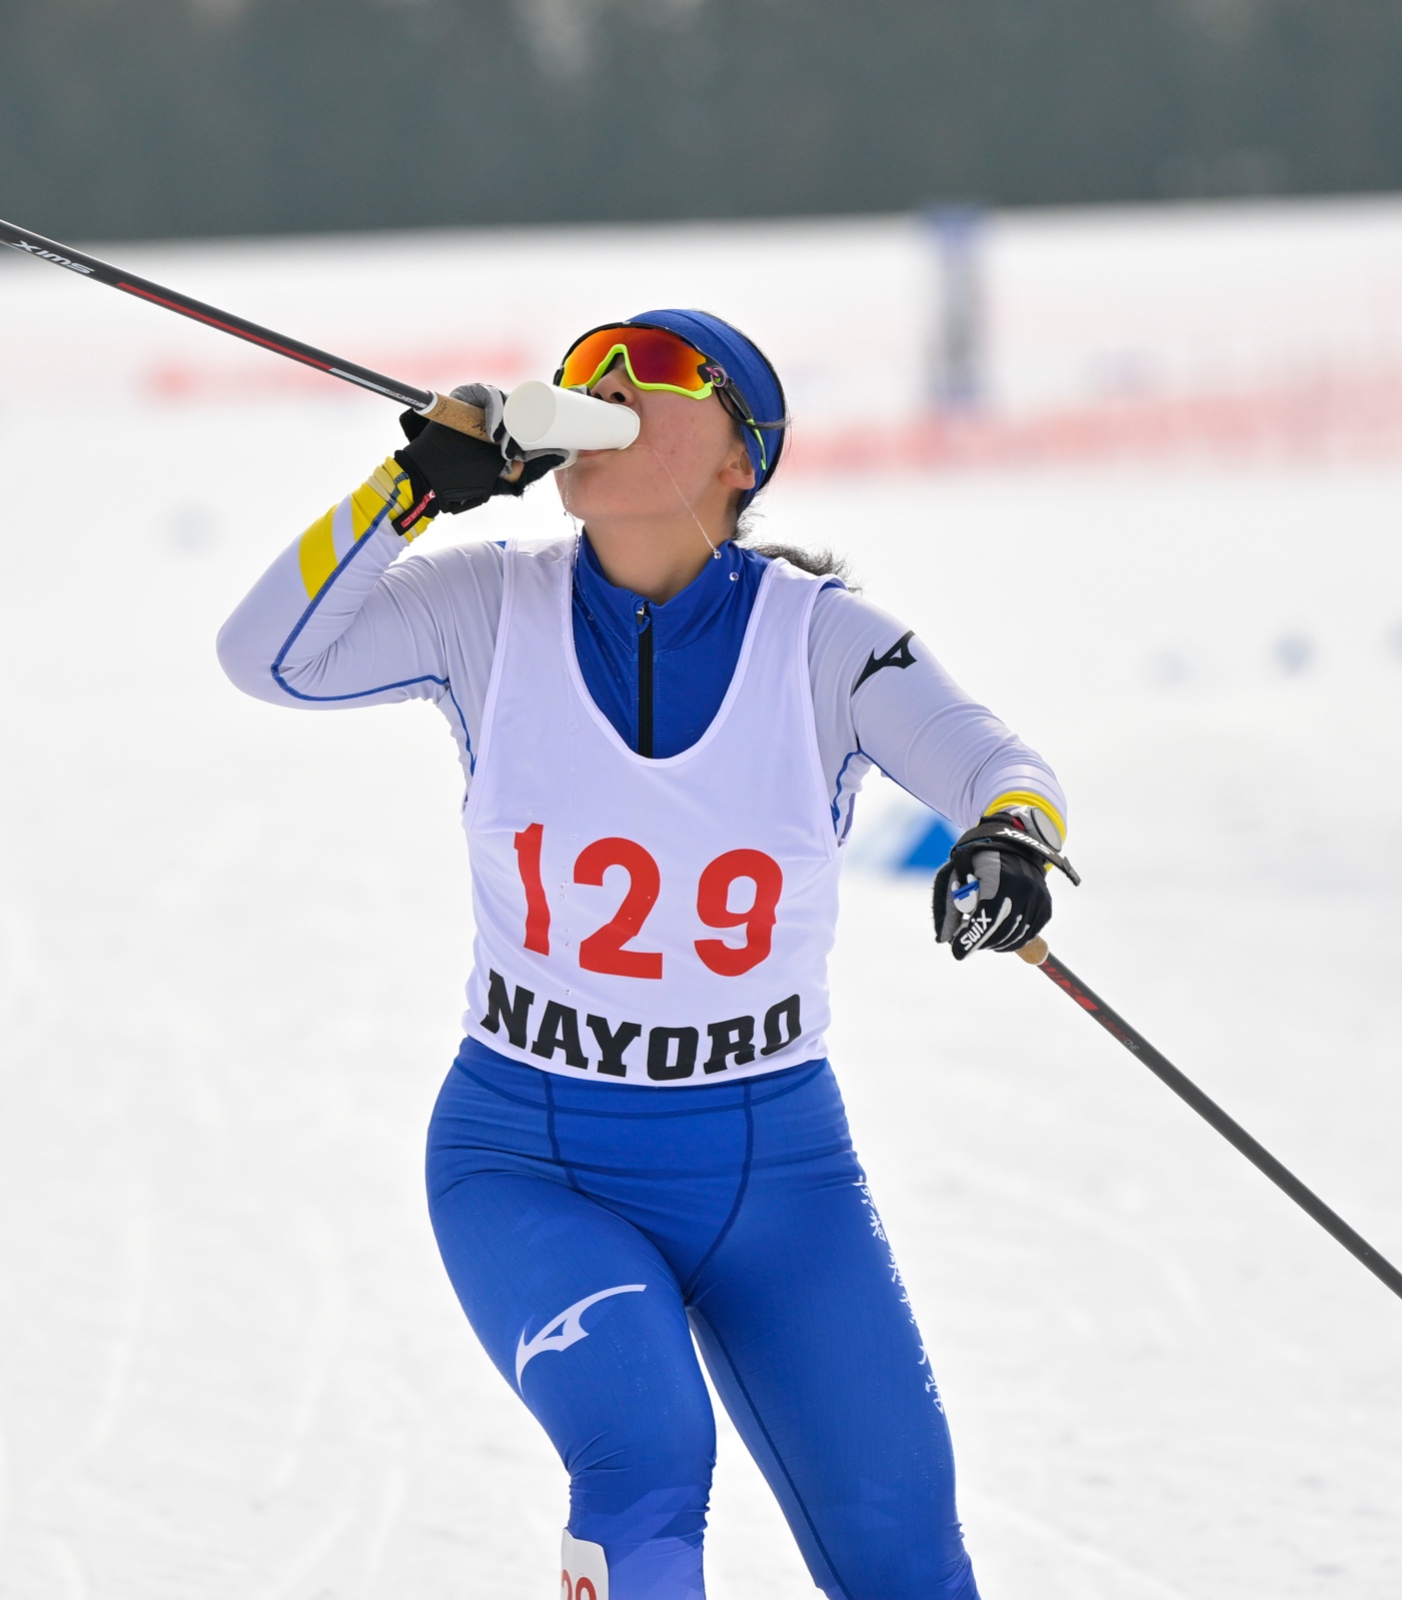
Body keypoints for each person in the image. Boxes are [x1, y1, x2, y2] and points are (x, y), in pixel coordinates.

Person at [217, 311, 1072, 1600]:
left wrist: (1008, 843)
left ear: (742, 455)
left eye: (655, 371)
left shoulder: (824, 641)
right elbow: (266, 658)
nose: (604, 384)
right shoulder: (488, 607)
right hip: (532, 1158)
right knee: (647, 1459)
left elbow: (1001, 770)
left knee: (904, 1549)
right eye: (585, 369)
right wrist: (411, 490)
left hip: (775, 1170)